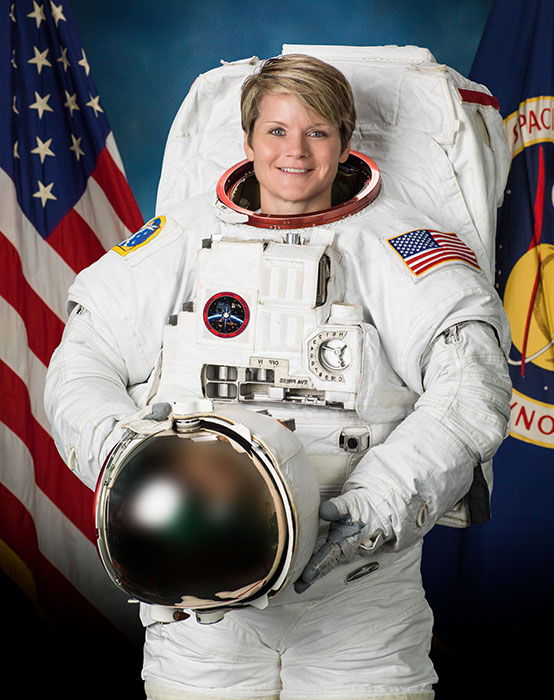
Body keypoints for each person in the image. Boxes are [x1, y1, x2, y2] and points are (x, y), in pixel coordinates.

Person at [45, 54, 512, 700]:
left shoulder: (402, 246)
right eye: (277, 131)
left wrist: (374, 505)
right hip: (198, 602)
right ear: (248, 139)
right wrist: (123, 448)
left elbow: (470, 394)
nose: (296, 150)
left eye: (317, 132)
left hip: (358, 601)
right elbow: (82, 358)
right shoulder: (179, 239)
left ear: (345, 142)